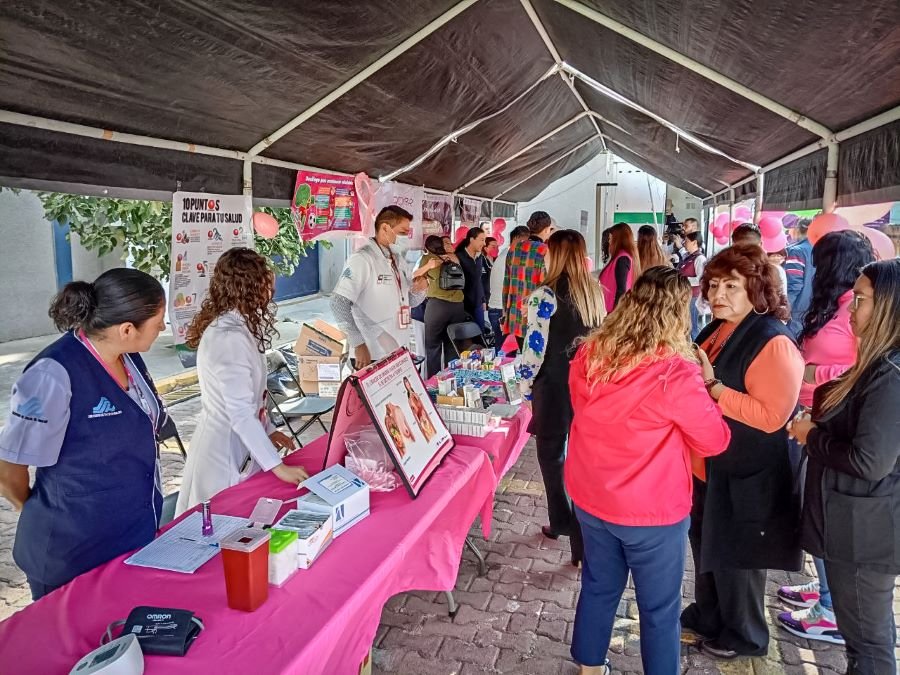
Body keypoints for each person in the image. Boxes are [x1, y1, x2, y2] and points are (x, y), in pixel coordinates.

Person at [567, 267, 731, 674]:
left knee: (598, 588)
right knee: (658, 609)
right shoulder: (676, 372)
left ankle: (590, 668)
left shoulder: (590, 353)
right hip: (651, 512)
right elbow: (714, 441)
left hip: (592, 495)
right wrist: (710, 386)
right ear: (678, 313)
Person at [0, 269, 167, 599]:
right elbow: (9, 471)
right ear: (126, 329)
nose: (162, 328)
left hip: (130, 537)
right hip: (71, 554)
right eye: (158, 321)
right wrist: (43, 513)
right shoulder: (52, 375)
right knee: (72, 631)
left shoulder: (129, 357)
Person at [682, 244, 805, 659]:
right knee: (708, 545)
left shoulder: (773, 340)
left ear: (757, 289)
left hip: (749, 469)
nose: (718, 294)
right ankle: (709, 615)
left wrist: (715, 389)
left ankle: (746, 636)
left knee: (738, 557)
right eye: (714, 284)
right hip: (711, 465)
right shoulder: (719, 328)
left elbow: (771, 416)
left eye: (731, 286)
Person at [789, 259, 900, 675]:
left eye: (862, 300)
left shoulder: (890, 376)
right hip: (855, 527)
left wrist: (810, 436)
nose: (851, 308)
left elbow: (870, 461)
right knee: (868, 637)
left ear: (889, 306)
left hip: (864, 535)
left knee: (868, 646)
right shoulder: (877, 364)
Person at [775, 230, 875, 645]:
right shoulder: (836, 303)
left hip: (832, 417)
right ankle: (826, 590)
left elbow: (867, 368)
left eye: (818, 261)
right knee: (813, 507)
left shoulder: (860, 306)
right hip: (811, 412)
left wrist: (814, 373)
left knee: (822, 510)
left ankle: (832, 611)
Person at [176, 249, 309, 515]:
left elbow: (252, 397)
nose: (271, 289)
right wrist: (279, 467)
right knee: (222, 522)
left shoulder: (238, 326)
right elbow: (240, 413)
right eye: (266, 281)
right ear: (250, 286)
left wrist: (269, 430)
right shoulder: (228, 336)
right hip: (223, 454)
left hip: (239, 447)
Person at [518, 230, 606, 566]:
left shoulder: (544, 295)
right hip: (586, 387)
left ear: (553, 256)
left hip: (553, 387)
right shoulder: (593, 293)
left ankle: (561, 521)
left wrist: (524, 387)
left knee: (551, 458)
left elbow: (534, 349)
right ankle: (581, 544)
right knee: (582, 466)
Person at [331, 206, 427, 368]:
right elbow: (338, 303)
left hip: (397, 349)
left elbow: (409, 301)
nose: (406, 238)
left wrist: (420, 289)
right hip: (371, 353)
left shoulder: (398, 260)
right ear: (385, 228)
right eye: (402, 232)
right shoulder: (362, 259)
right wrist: (358, 343)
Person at [418, 235, 466, 378]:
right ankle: (452, 379)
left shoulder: (428, 259)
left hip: (437, 306)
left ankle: (434, 381)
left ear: (427, 247)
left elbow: (416, 278)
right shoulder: (453, 258)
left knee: (433, 346)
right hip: (458, 306)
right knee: (452, 346)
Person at [503, 211, 554, 346]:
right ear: (546, 229)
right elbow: (547, 285)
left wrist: (505, 311)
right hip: (535, 313)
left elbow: (506, 282)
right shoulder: (545, 251)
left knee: (523, 355)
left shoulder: (514, 249)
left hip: (515, 314)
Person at [488, 226, 529, 349]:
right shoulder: (511, 257)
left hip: (499, 309)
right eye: (526, 241)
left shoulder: (507, 254)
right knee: (505, 352)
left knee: (505, 351)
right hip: (502, 310)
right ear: (517, 239)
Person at [734, 222, 788, 298]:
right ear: (761, 244)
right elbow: (782, 301)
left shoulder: (725, 270)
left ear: (733, 246)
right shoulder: (776, 271)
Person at [598, 222, 641, 313]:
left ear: (618, 239)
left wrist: (615, 314)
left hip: (615, 311)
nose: (609, 242)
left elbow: (621, 289)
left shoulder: (622, 258)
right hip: (614, 310)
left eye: (610, 238)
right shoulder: (622, 257)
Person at [784, 218, 815, 338]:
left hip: (797, 313)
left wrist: (784, 310)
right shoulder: (822, 250)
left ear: (798, 229)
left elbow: (794, 286)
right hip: (814, 309)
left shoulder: (796, 251)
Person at [456, 227, 487, 329]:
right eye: (482, 240)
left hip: (478, 303)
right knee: (467, 333)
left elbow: (479, 280)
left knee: (480, 332)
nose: (484, 243)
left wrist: (483, 299)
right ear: (471, 239)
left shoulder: (480, 257)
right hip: (463, 304)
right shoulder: (458, 257)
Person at [678, 232, 708, 338]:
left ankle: (697, 344)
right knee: (686, 325)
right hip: (685, 295)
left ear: (694, 242)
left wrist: (683, 279)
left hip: (693, 297)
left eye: (686, 241)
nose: (684, 243)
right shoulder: (689, 257)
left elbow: (701, 279)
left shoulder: (700, 259)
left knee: (692, 326)